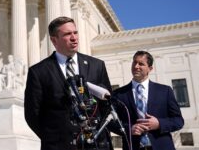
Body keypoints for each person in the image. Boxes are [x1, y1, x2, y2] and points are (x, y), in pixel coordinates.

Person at [24, 16, 113, 150]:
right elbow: (32, 114)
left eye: (75, 32)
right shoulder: (38, 72)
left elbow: (107, 105)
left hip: (95, 145)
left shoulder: (96, 66)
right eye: (67, 34)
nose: (74, 37)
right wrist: (53, 138)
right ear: (54, 40)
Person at [113, 51, 184, 150]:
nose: (136, 66)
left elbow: (178, 121)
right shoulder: (118, 94)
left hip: (162, 146)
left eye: (141, 64)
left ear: (150, 69)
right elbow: (111, 123)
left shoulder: (164, 91)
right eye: (134, 62)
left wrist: (159, 123)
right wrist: (129, 129)